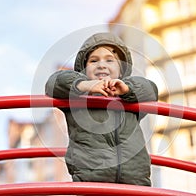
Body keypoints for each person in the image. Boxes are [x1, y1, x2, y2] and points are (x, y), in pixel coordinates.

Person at [45, 32, 158, 186]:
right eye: (93, 60)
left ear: (121, 70)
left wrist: (127, 90)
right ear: (84, 70)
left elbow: (151, 89)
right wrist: (85, 85)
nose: (101, 65)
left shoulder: (129, 99)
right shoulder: (77, 100)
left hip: (135, 184)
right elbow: (54, 83)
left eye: (109, 60)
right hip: (93, 186)